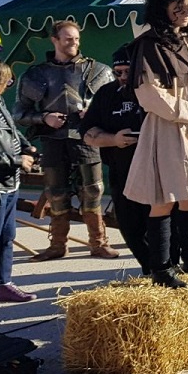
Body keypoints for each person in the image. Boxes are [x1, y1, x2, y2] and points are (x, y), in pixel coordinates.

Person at [124, 0, 188, 288]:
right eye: (178, 6)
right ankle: (161, 267)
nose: (186, 12)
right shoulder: (148, 45)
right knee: (164, 199)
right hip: (167, 130)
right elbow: (150, 95)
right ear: (162, 6)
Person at [12, 19, 116, 260]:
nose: (74, 43)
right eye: (68, 38)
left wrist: (93, 113)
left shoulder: (98, 71)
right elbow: (19, 113)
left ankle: (98, 243)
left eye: (76, 39)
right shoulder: (36, 75)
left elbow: (113, 108)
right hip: (53, 140)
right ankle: (58, 246)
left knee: (92, 191)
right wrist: (44, 117)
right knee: (56, 193)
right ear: (55, 40)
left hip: (87, 138)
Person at [80, 47, 151, 275]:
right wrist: (114, 139)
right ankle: (150, 267)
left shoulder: (152, 91)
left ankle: (164, 266)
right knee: (130, 226)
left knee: (160, 223)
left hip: (154, 168)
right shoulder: (107, 93)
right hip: (122, 169)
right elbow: (87, 131)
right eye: (117, 71)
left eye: (127, 71)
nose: (122, 77)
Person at [0, 60, 39, 303]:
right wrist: (14, 159)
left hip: (9, 182)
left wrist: (27, 147)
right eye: (4, 81)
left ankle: (3, 283)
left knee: (6, 236)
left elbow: (11, 130)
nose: (7, 86)